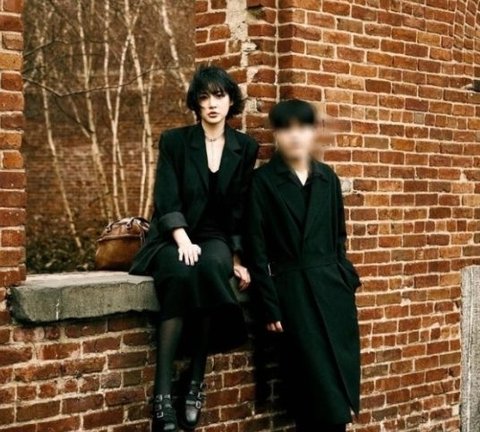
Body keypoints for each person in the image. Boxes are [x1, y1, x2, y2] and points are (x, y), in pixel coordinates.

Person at [130, 65, 258, 432]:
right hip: (174, 235)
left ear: (230, 101)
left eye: (219, 95)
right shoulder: (174, 141)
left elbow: (239, 209)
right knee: (180, 272)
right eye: (204, 97)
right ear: (195, 104)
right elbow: (166, 196)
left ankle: (196, 380)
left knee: (212, 269)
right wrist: (182, 237)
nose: (212, 104)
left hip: (216, 236)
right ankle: (162, 395)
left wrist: (237, 257)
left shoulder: (245, 148)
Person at [246, 99, 361, 432]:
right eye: (286, 129)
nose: (295, 136)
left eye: (302, 128)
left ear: (313, 133)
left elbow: (339, 237)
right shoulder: (263, 183)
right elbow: (256, 251)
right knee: (314, 398)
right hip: (293, 297)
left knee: (338, 391)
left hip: (334, 295)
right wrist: (270, 306)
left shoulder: (328, 178)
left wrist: (345, 279)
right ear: (277, 135)